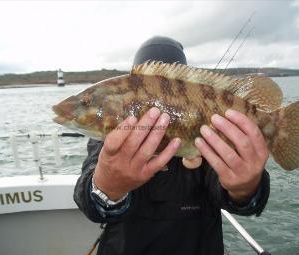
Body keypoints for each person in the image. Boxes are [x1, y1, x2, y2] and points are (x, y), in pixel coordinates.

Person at [74, 36, 270, 255]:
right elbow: (90, 203)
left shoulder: (211, 139)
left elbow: (238, 199)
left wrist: (246, 187)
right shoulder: (109, 141)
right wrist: (107, 188)